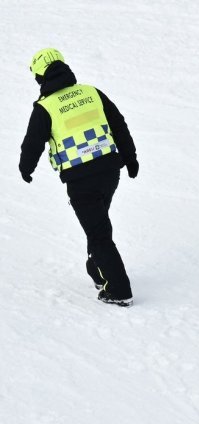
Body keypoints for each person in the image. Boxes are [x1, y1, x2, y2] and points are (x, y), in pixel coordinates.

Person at [19, 48, 138, 307]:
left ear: (40, 77)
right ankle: (97, 269)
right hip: (109, 172)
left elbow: (33, 142)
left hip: (80, 179)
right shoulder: (91, 93)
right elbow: (118, 124)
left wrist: (25, 167)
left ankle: (118, 289)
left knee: (98, 233)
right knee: (98, 225)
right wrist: (130, 158)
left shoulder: (45, 107)